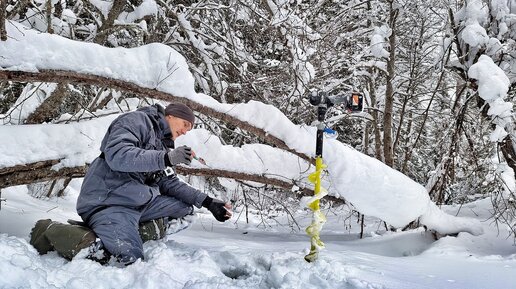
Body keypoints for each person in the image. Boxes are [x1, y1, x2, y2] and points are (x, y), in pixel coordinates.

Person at [30, 103, 232, 265]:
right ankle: (51, 231)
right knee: (129, 259)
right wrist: (166, 157)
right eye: (186, 124)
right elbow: (118, 155)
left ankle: (127, 232)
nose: (186, 131)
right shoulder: (137, 120)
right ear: (170, 115)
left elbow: (170, 183)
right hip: (108, 202)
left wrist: (208, 202)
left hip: (139, 202)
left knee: (184, 210)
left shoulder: (163, 145)